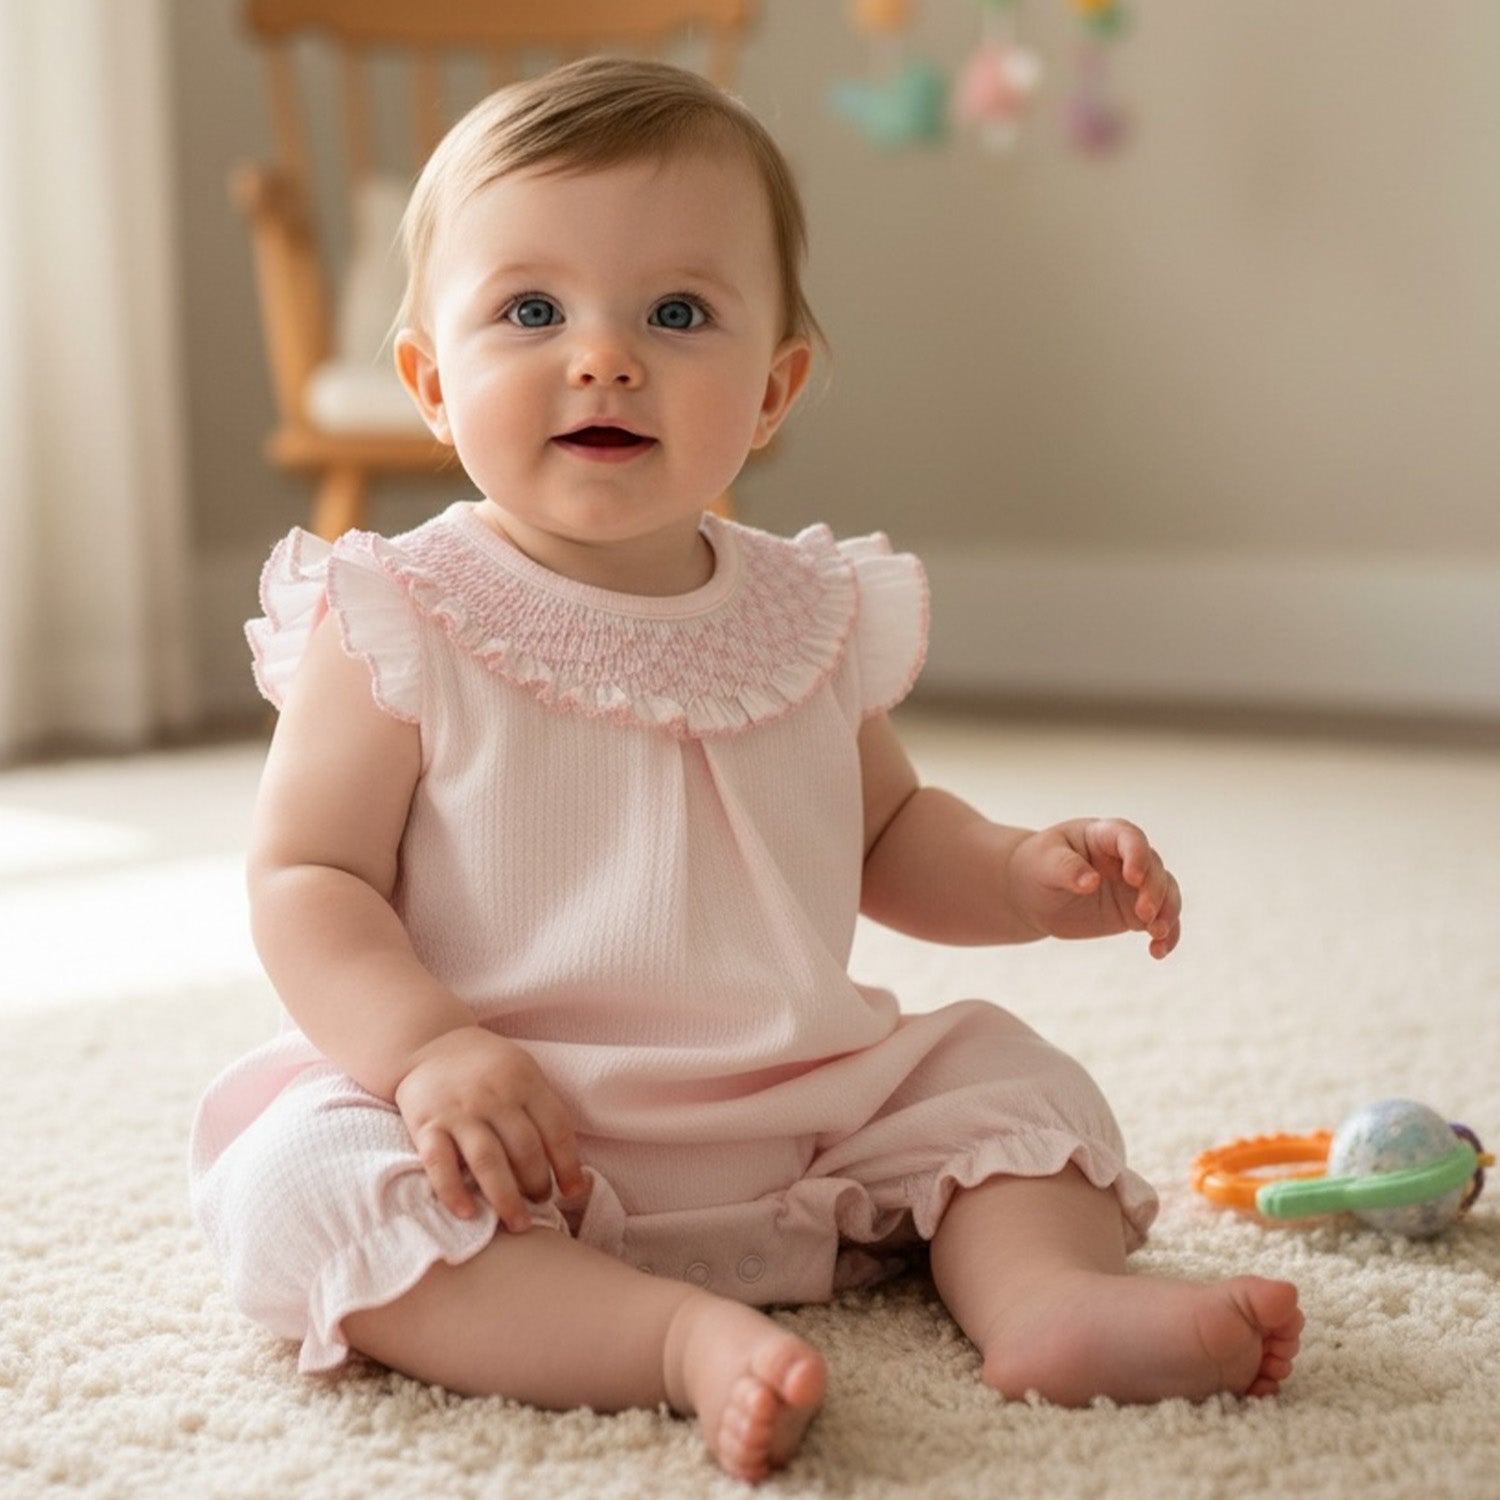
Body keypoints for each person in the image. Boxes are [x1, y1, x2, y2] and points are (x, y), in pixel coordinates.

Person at [191, 57, 1302, 1485]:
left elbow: (887, 829)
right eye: (531, 312)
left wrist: (1028, 875)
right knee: (305, 1185)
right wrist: (427, 1052)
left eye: (678, 313)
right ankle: (665, 1340)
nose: (605, 356)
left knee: (1011, 1081)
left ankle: (1042, 1304)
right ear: (428, 380)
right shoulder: (397, 612)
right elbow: (308, 875)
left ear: (773, 389)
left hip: (805, 1099)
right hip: (515, 1127)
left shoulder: (806, 611)